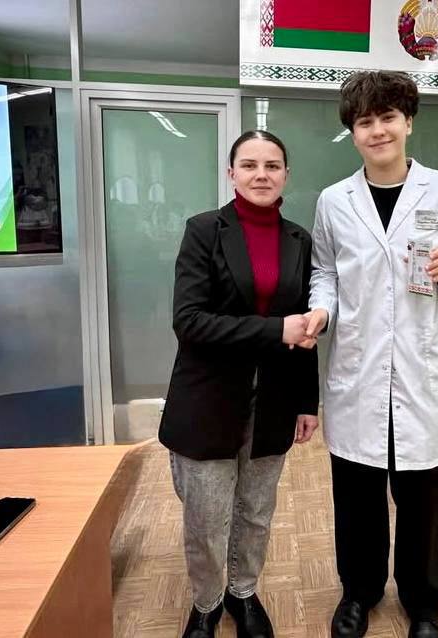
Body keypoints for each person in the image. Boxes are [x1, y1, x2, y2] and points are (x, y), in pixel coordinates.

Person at [304, 71, 438, 638]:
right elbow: (324, 272)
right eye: (365, 122)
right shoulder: (334, 201)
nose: (378, 131)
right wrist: (322, 311)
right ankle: (358, 593)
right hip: (359, 370)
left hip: (427, 368)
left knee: (428, 498)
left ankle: (424, 602)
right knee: (358, 496)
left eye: (388, 117)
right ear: (353, 132)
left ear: (408, 122)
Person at [159, 130, 320, 638]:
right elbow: (189, 321)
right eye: (249, 165)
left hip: (274, 398)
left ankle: (243, 592)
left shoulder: (299, 240)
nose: (261, 175)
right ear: (231, 173)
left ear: (286, 175)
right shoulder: (204, 230)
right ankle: (206, 603)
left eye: (272, 166)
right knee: (207, 516)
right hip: (208, 398)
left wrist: (307, 402)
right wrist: (275, 330)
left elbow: (306, 328)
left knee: (255, 512)